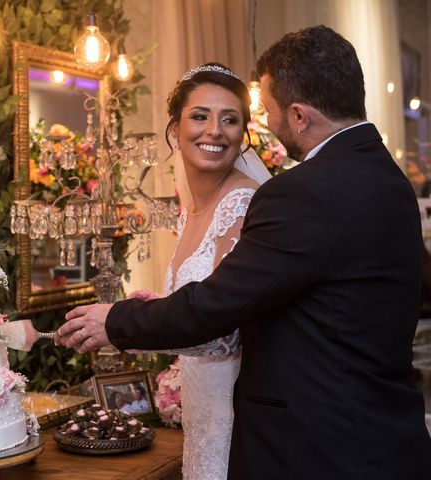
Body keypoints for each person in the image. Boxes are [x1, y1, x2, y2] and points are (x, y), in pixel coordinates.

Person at [56, 25, 431, 479]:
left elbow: (218, 304)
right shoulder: (389, 179)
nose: (269, 129)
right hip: (385, 433)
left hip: (324, 448)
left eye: (267, 113)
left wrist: (115, 321)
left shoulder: (304, 192)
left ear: (298, 115)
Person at [118, 62, 268, 479]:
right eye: (200, 116)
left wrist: (126, 331)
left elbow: (223, 333)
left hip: (238, 413)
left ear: (244, 135)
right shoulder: (189, 211)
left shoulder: (244, 204)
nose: (214, 131)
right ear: (174, 129)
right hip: (200, 414)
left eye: (230, 120)